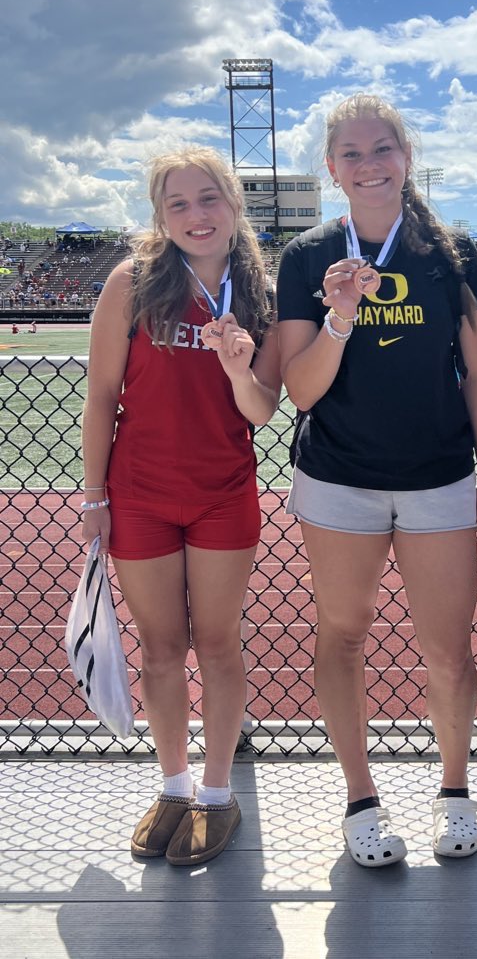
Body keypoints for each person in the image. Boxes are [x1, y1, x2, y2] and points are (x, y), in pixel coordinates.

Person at [276, 93, 477, 868]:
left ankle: (455, 790)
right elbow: (301, 390)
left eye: (383, 149)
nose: (369, 165)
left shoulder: (451, 251)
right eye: (353, 153)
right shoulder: (307, 256)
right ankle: (360, 799)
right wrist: (339, 315)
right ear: (332, 168)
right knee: (342, 634)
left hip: (439, 476)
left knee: (449, 650)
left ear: (406, 157)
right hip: (339, 478)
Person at [80, 146, 281, 866]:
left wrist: (238, 366)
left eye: (209, 198)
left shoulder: (260, 292)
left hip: (223, 494)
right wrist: (94, 496)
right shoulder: (132, 282)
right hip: (140, 496)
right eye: (178, 204)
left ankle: (217, 793)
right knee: (162, 648)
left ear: (233, 204)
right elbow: (101, 397)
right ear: (161, 216)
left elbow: (261, 410)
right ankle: (173, 785)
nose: (196, 215)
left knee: (219, 644)